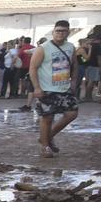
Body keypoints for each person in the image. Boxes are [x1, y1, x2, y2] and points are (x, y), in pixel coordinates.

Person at [32, 19, 78, 157]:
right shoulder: (43, 48)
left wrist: (74, 81)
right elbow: (33, 68)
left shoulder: (70, 47)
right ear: (53, 31)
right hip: (47, 88)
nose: (60, 34)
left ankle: (47, 137)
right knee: (47, 118)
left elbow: (75, 65)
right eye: (58, 31)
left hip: (64, 88)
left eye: (63, 31)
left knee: (72, 114)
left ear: (68, 32)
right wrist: (37, 88)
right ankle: (45, 146)